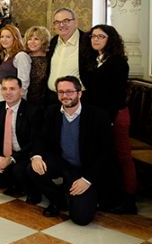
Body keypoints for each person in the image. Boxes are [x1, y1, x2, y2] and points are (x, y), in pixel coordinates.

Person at [28, 76, 112, 225]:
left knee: (81, 218)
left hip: (85, 169)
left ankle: (78, 194)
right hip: (62, 163)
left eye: (69, 92)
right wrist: (36, 156)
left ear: (79, 93)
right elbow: (40, 137)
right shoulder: (51, 112)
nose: (65, 96)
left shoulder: (98, 116)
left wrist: (88, 179)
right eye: (61, 92)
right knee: (33, 168)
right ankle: (58, 200)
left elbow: (106, 152)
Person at [81, 24, 136, 213]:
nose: (95, 39)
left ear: (110, 39)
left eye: (101, 36)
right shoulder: (93, 60)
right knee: (104, 155)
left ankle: (129, 198)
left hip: (115, 114)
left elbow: (116, 94)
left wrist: (109, 119)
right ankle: (107, 194)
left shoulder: (118, 61)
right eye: (93, 36)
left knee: (121, 156)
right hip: (98, 114)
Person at [0, 76, 39, 198]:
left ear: (21, 90)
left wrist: (11, 159)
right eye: (4, 88)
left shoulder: (32, 110)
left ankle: (27, 189)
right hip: (3, 152)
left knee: (18, 170)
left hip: (23, 154)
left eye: (12, 89)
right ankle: (7, 183)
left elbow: (33, 142)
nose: (8, 92)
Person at [45, 7, 91, 103]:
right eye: (57, 22)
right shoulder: (54, 41)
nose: (61, 25)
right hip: (53, 98)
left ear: (76, 22)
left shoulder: (87, 41)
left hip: (78, 99)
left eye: (66, 21)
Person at [0, 25, 31, 101]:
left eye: (8, 37)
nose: (4, 40)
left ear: (15, 38)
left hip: (12, 100)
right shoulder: (5, 55)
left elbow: (24, 82)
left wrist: (17, 101)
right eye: (2, 37)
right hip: (0, 97)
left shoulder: (21, 56)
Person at [24, 26, 50, 107]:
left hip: (47, 102)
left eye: (36, 39)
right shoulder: (23, 57)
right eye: (29, 39)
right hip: (26, 101)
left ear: (44, 41)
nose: (32, 42)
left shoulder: (51, 57)